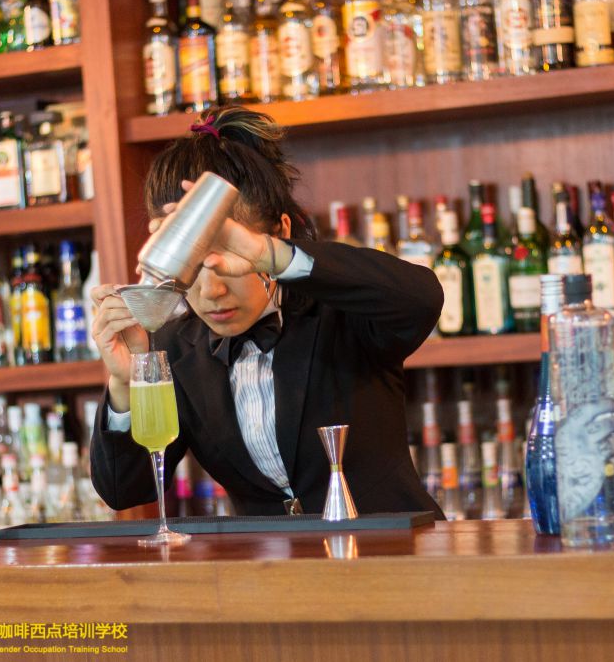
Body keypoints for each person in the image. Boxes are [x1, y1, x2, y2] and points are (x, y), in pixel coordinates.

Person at [89, 106, 444, 519]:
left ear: (280, 233)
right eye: (191, 266)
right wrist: (125, 383)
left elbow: (422, 298)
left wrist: (270, 255)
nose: (212, 290)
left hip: (391, 552)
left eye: (227, 256)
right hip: (265, 561)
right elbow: (122, 489)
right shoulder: (173, 349)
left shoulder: (342, 313)